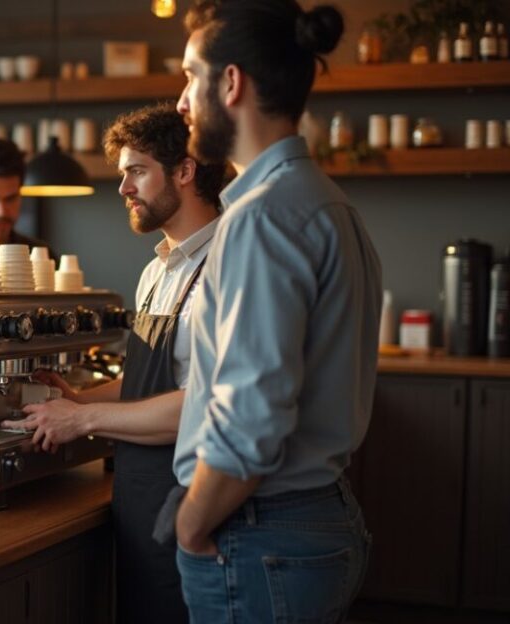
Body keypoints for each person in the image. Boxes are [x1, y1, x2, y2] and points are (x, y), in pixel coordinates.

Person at [165, 2, 381, 621]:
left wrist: (190, 524)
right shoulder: (327, 203)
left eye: (189, 75)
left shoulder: (262, 216)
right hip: (318, 517)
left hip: (259, 533)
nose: (181, 100)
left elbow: (250, 418)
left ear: (230, 83)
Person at [2, 102, 227, 624]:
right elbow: (150, 382)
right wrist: (79, 397)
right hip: (138, 497)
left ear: (185, 171)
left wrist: (81, 420)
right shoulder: (157, 271)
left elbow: (207, 403)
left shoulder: (228, 264)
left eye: (137, 172)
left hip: (195, 499)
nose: (124, 189)